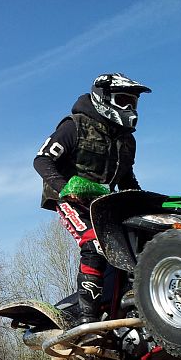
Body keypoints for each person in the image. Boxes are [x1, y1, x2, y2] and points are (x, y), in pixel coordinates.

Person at [34, 72, 151, 325]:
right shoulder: (74, 125)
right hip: (72, 201)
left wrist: (146, 202)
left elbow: (126, 178)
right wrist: (64, 187)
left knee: (138, 244)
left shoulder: (127, 140)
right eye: (123, 101)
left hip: (106, 204)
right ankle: (89, 320)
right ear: (103, 98)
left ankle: (136, 303)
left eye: (133, 103)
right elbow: (42, 159)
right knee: (94, 244)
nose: (130, 108)